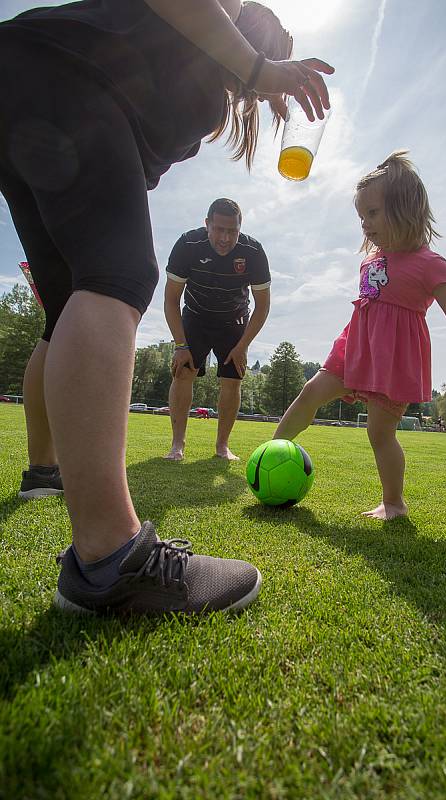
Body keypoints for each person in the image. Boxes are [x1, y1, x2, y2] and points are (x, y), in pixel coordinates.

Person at [0, 0, 334, 614]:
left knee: (70, 305)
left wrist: (251, 77)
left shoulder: (202, 75)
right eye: (272, 58)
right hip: (59, 71)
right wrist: (259, 68)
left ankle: (47, 478)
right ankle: (109, 559)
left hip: (23, 78)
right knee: (117, 276)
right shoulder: (223, 23)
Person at [274, 151, 446, 521]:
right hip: (354, 347)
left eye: (373, 214)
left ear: (405, 210)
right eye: (361, 216)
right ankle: (268, 456)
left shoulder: (430, 264)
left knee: (379, 434)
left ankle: (393, 503)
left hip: (394, 360)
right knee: (310, 393)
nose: (365, 223)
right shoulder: (371, 259)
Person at [164, 198, 270, 462]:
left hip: (233, 321)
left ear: (240, 227)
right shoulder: (188, 244)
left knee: (232, 380)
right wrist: (180, 346)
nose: (225, 238)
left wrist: (242, 347)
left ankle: (222, 446)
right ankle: (177, 445)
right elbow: (170, 299)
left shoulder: (253, 251)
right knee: (183, 372)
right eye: (219, 229)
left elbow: (263, 306)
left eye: (231, 231)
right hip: (195, 317)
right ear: (207, 224)